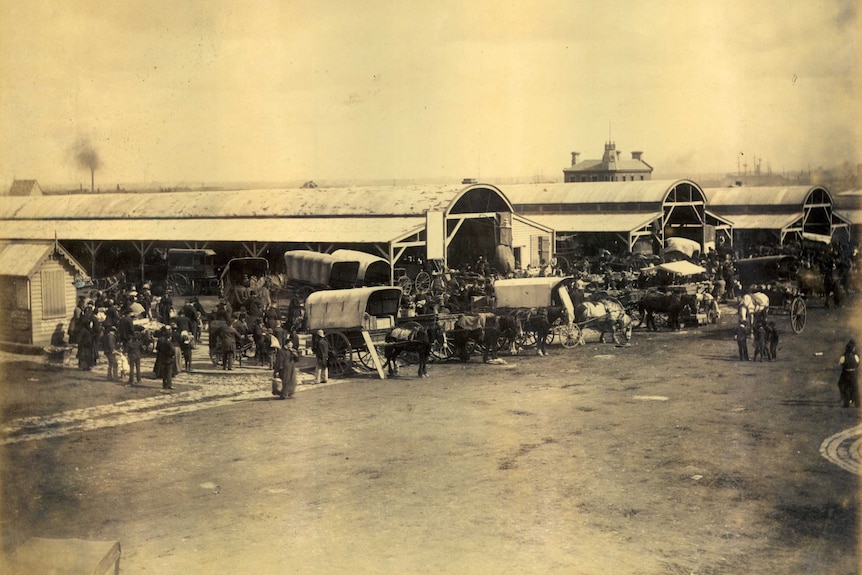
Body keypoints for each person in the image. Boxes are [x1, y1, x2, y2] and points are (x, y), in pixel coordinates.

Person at [837, 339, 860, 408]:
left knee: (843, 386)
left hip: (846, 373)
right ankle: (857, 403)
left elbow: (840, 363)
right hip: (853, 374)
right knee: (855, 388)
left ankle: (846, 402)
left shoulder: (843, 357)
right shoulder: (855, 356)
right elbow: (857, 363)